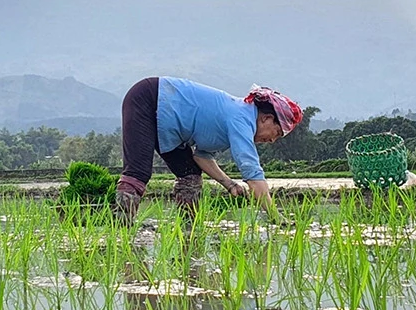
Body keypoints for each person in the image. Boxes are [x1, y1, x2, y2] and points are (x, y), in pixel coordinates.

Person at [113, 77, 301, 225]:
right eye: (276, 133)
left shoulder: (239, 117)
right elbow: (253, 174)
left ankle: (188, 230)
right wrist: (277, 218)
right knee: (138, 173)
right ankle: (121, 230)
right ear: (266, 119)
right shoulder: (241, 119)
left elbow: (201, 157)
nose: (272, 140)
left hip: (169, 124)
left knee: (190, 175)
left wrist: (229, 185)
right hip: (148, 99)